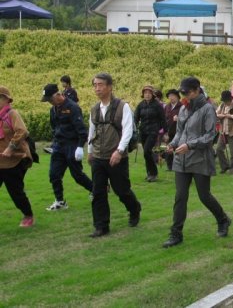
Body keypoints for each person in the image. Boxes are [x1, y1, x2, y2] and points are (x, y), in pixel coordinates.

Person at [162, 76, 231, 248]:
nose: (184, 96)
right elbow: (179, 133)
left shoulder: (208, 109)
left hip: (200, 159)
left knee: (204, 196)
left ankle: (223, 219)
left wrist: (190, 145)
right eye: (182, 93)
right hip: (181, 160)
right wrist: (172, 144)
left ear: (196, 90)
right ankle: (176, 234)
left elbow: (210, 136)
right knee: (180, 197)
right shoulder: (184, 109)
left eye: (187, 92)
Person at [87, 72, 142, 238]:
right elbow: (91, 130)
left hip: (117, 156)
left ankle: (134, 209)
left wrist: (119, 151)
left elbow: (127, 130)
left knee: (122, 190)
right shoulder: (94, 109)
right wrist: (90, 152)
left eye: (100, 85)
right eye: (95, 85)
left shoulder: (122, 106)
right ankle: (101, 226)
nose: (97, 88)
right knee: (98, 192)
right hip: (98, 156)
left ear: (110, 87)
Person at [41, 83, 93, 211]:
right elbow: (55, 128)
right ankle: (60, 201)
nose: (49, 102)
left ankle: (96, 189)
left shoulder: (72, 107)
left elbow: (82, 130)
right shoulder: (53, 110)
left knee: (77, 176)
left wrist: (80, 147)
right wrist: (54, 144)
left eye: (50, 99)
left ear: (58, 95)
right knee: (54, 175)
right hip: (59, 146)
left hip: (72, 145)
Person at [0, 86, 35, 227]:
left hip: (14, 160)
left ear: (6, 100)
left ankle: (28, 215)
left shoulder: (12, 114)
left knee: (16, 192)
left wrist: (10, 148)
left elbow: (22, 131)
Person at [134, 85, 166, 182]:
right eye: (145, 93)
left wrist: (164, 131)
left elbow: (163, 119)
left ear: (152, 95)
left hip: (153, 131)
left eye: (149, 93)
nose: (147, 95)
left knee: (147, 151)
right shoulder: (140, 105)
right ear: (143, 94)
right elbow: (135, 118)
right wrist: (133, 129)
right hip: (143, 131)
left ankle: (153, 173)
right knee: (146, 153)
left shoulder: (157, 105)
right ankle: (149, 173)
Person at [215, 90, 233, 175]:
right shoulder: (222, 105)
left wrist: (231, 116)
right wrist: (221, 115)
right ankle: (224, 166)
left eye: (226, 100)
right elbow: (215, 114)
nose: (225, 102)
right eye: (224, 100)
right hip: (223, 131)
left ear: (230, 99)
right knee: (219, 149)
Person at [163, 89, 182, 171]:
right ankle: (170, 166)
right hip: (169, 131)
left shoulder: (182, 106)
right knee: (168, 149)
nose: (171, 98)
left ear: (177, 97)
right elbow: (163, 119)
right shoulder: (167, 107)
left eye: (173, 96)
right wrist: (164, 132)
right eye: (169, 96)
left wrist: (179, 119)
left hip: (179, 132)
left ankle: (179, 166)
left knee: (179, 149)